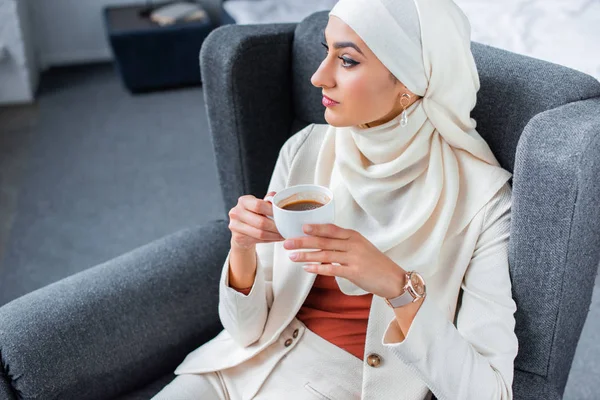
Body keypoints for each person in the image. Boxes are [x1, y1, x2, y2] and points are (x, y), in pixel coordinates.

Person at [152, 0, 518, 398]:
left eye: (346, 60)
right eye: (326, 52)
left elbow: (490, 392)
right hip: (227, 371)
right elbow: (244, 331)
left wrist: (397, 286)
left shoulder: (484, 201)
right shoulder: (306, 149)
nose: (318, 77)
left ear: (410, 82)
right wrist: (243, 250)